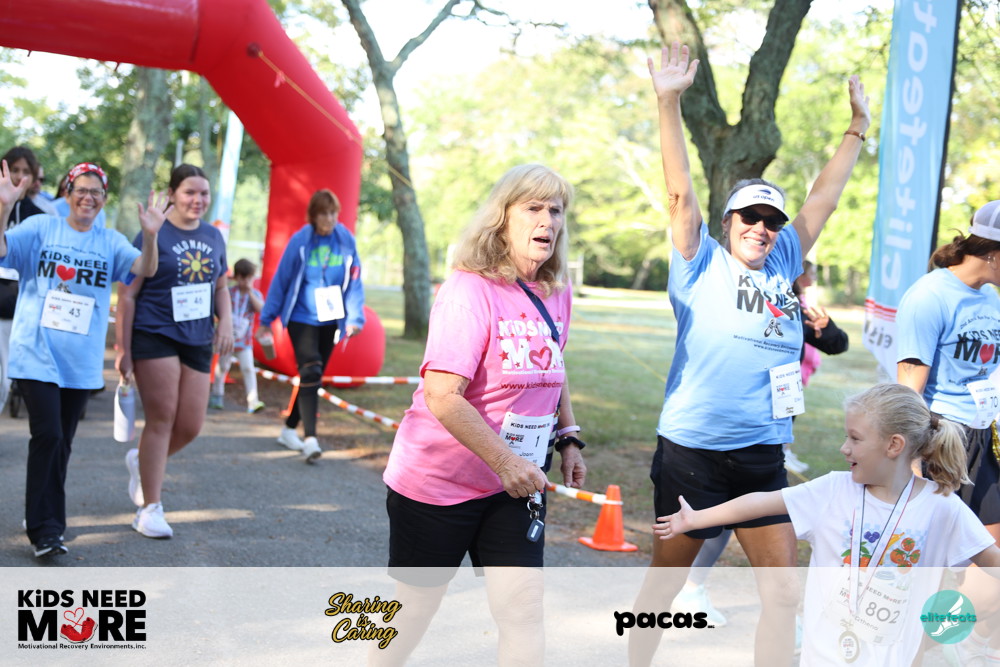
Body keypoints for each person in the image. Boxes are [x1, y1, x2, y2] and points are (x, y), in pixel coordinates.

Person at [630, 43, 871, 667]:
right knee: (662, 589)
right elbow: (679, 193)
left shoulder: (784, 259)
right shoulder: (700, 261)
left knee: (784, 594)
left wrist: (855, 129)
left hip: (762, 454)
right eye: (750, 216)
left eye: (771, 220)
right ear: (728, 219)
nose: (762, 227)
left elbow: (823, 198)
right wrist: (668, 102)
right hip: (694, 453)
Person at [374, 163, 587, 665]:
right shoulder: (469, 290)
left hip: (515, 486)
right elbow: (442, 394)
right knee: (413, 612)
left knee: (522, 610)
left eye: (556, 210)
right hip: (440, 482)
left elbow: (553, 364)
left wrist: (568, 436)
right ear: (502, 217)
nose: (547, 220)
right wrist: (506, 461)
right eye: (533, 208)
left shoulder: (556, 292)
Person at [655, 383, 1000, 665]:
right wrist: (697, 517)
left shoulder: (942, 508)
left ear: (894, 445)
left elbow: (991, 561)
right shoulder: (833, 491)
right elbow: (761, 502)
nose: (844, 447)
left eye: (855, 438)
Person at [0, 160, 167, 557]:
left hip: (78, 363)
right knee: (49, 436)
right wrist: (3, 208)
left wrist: (151, 235)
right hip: (35, 353)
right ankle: (45, 530)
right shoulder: (42, 228)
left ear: (104, 199)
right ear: (67, 193)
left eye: (96, 192)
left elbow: (145, 268)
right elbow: (2, 249)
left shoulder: (109, 241)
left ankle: (43, 515)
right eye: (81, 190)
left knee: (62, 443)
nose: (88, 198)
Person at [115, 164, 232, 539]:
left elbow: (221, 286)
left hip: (198, 337)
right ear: (172, 194)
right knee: (162, 418)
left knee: (190, 425)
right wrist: (123, 349)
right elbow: (128, 294)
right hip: (156, 333)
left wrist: (226, 322)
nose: (197, 200)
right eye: (189, 192)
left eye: (203, 193)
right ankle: (150, 508)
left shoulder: (213, 236)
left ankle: (143, 461)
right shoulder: (153, 231)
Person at [257, 189, 365, 463]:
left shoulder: (345, 241)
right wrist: (266, 319)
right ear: (313, 216)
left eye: (333, 213)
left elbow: (354, 282)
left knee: (312, 376)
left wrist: (355, 318)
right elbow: (282, 280)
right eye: (324, 213)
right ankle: (311, 439)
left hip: (331, 318)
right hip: (301, 317)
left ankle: (288, 429)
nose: (329, 218)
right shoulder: (301, 241)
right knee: (311, 369)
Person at [0, 146, 49, 412]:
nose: (19, 177)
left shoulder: (40, 217)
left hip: (19, 306)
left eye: (25, 171)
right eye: (14, 170)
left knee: (4, 381)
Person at [210, 258, 265, 413]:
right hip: (227, 339)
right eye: (244, 278)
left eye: (250, 278)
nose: (247, 281)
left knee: (248, 368)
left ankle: (253, 401)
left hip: (244, 341)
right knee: (222, 366)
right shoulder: (228, 292)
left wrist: (249, 292)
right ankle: (217, 395)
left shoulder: (255, 294)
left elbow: (261, 309)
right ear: (237, 277)